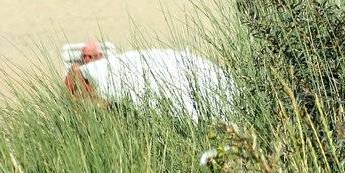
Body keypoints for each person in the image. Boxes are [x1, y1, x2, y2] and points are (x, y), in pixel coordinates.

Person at [64, 41, 234, 122]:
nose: (89, 59)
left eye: (93, 56)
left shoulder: (112, 69)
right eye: (85, 56)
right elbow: (72, 85)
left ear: (101, 56)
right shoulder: (83, 72)